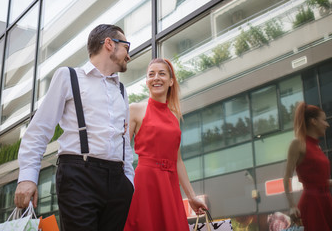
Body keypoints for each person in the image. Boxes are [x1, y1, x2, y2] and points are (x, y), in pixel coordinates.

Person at [14, 24, 134, 231]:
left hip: (117, 182)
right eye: (126, 47)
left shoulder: (121, 90)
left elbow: (124, 142)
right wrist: (27, 177)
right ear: (109, 44)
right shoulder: (68, 77)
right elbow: (39, 130)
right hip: (79, 176)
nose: (128, 55)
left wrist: (128, 182)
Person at [124, 58, 207, 231]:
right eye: (151, 74)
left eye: (162, 74)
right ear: (147, 81)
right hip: (145, 183)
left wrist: (191, 197)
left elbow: (177, 161)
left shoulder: (175, 116)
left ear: (171, 81)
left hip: (170, 186)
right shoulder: (135, 109)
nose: (156, 78)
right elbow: (121, 152)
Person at [283, 102, 332, 231]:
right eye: (324, 120)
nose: (327, 124)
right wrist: (292, 205)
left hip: (325, 201)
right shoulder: (298, 143)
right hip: (312, 204)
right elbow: (287, 177)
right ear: (314, 121)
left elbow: (319, 182)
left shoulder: (317, 147)